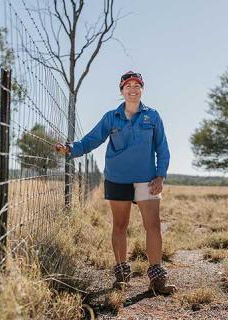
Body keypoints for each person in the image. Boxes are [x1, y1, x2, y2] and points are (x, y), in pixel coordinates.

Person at [55, 71, 176, 295]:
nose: (133, 89)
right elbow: (91, 140)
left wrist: (160, 176)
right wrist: (71, 149)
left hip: (147, 179)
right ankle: (122, 277)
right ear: (121, 91)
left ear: (142, 89)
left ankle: (157, 280)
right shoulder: (111, 117)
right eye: (128, 85)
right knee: (120, 226)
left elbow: (163, 149)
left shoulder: (153, 116)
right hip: (117, 179)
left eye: (137, 85)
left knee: (153, 225)